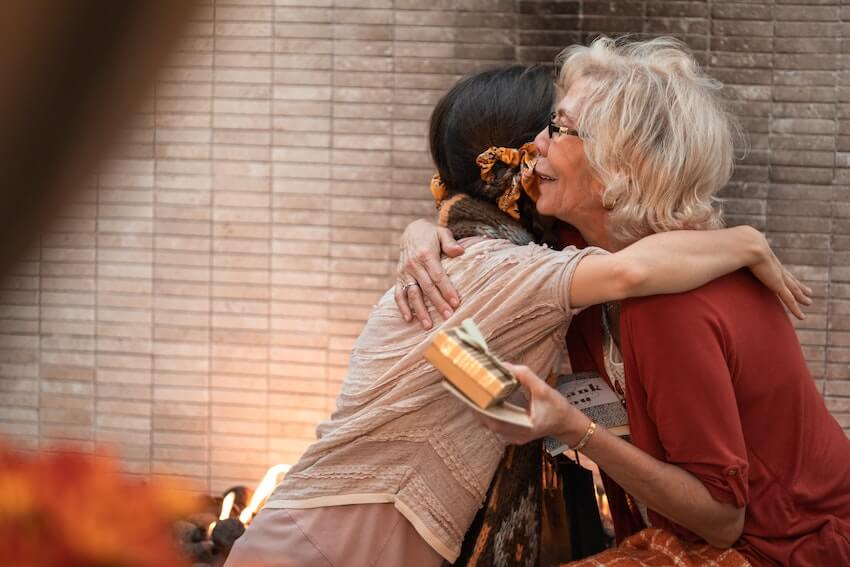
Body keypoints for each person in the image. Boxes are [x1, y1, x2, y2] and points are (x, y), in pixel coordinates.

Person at [224, 65, 807, 567]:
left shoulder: (476, 268)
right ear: (518, 161)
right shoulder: (500, 271)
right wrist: (748, 241)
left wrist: (424, 229)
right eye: (550, 127)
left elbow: (481, 392)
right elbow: (630, 271)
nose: (552, 143)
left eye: (563, 129)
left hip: (330, 534)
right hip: (326, 546)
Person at [396, 37, 850, 565]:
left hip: (781, 548)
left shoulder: (670, 302)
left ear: (622, 165)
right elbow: (468, 316)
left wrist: (570, 426)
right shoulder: (580, 252)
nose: (534, 146)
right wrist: (423, 235)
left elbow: (723, 521)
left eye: (559, 129)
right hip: (679, 534)